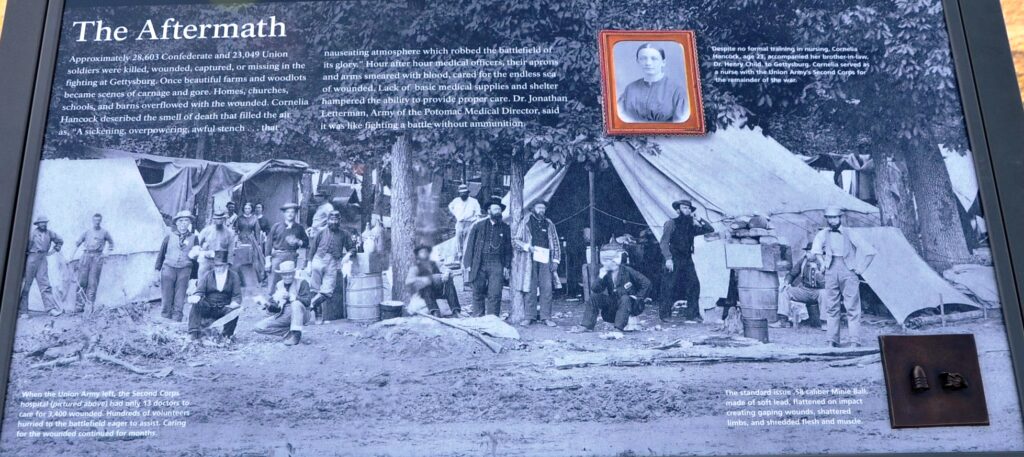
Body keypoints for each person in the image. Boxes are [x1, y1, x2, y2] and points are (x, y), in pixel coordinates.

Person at [812, 206, 876, 348]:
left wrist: (860, 269)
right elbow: (816, 250)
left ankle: (854, 341)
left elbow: (870, 251)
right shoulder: (823, 234)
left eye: (834, 217)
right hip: (830, 271)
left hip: (848, 271)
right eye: (829, 218)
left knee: (852, 307)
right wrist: (822, 263)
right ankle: (832, 340)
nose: (832, 221)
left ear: (840, 218)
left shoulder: (850, 233)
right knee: (831, 307)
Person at [660, 199, 714, 323]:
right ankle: (664, 315)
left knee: (694, 285)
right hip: (673, 258)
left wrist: (699, 219)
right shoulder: (671, 223)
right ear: (678, 210)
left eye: (689, 208)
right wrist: (668, 259)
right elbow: (664, 243)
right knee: (669, 285)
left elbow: (710, 230)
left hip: (687, 258)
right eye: (684, 208)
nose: (687, 210)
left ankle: (692, 314)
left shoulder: (691, 225)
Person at [512, 200, 561, 326]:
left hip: (545, 258)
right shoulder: (526, 222)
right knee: (530, 287)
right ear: (533, 208)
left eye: (543, 208)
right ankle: (530, 316)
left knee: (547, 288)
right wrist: (528, 247)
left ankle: (546, 317)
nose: (541, 210)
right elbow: (516, 241)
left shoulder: (549, 223)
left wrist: (555, 260)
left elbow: (555, 242)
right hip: (529, 259)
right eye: (539, 208)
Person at [617, 43, 689, 123]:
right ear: (638, 61)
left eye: (654, 58)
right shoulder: (630, 89)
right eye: (643, 58)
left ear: (663, 62)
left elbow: (681, 124)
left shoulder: (677, 91)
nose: (648, 63)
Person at [581, 249, 652, 331]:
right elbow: (595, 289)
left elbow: (646, 283)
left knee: (625, 298)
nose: (604, 263)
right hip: (615, 304)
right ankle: (586, 326)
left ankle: (618, 328)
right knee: (594, 297)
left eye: (607, 261)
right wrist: (600, 276)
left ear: (614, 261)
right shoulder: (606, 273)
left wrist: (638, 297)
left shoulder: (627, 270)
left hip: (631, 304)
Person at [462, 198, 512, 316]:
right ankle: (478, 318)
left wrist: (506, 265)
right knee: (477, 291)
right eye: (495, 209)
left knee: (495, 293)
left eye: (499, 209)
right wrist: (467, 264)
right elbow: (470, 246)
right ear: (489, 211)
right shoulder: (478, 226)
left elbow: (508, 249)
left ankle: (492, 319)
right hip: (479, 262)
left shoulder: (505, 228)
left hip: (497, 263)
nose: (498, 211)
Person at [307, 211, 353, 321]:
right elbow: (312, 249)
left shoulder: (344, 234)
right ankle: (315, 317)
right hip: (317, 260)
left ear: (340, 221)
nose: (334, 222)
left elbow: (352, 248)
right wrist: (309, 264)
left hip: (333, 263)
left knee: (327, 291)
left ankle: (310, 306)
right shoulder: (321, 232)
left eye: (336, 220)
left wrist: (348, 255)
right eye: (331, 220)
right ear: (328, 221)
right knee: (314, 289)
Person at [187, 251, 241, 343]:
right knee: (196, 304)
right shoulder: (208, 275)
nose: (218, 269)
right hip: (209, 306)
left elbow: (237, 295)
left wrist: (234, 303)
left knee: (236, 311)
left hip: (224, 307)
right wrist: (197, 296)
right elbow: (200, 290)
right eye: (216, 266)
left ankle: (226, 336)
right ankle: (193, 333)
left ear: (227, 265)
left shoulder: (234, 276)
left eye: (221, 266)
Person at [254, 260, 312, 346]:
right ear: (281, 275)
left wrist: (294, 297)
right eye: (285, 274)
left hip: (301, 314)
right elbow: (276, 308)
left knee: (296, 304)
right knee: (258, 327)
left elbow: (307, 302)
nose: (287, 277)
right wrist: (266, 304)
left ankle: (296, 334)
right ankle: (288, 333)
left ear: (294, 273)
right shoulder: (279, 285)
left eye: (290, 274)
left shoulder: (302, 283)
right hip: (284, 315)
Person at [156, 211, 199, 321]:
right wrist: (157, 270)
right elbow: (161, 254)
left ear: (189, 222)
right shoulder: (169, 237)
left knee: (180, 298)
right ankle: (165, 320)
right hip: (168, 269)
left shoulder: (194, 238)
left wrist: (194, 278)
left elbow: (196, 260)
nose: (183, 223)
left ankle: (176, 320)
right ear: (176, 223)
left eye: (186, 220)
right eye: (180, 221)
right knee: (166, 297)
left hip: (185, 271)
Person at [772, 241, 826, 330]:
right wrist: (786, 282)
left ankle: (825, 322)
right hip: (805, 290)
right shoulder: (804, 261)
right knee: (784, 290)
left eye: (810, 252)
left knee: (825, 293)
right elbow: (792, 274)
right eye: (807, 252)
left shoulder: (824, 262)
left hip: (819, 291)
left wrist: (817, 272)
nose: (807, 254)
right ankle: (783, 321)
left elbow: (826, 283)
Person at [20, 216, 64, 317]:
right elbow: (24, 248)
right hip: (31, 258)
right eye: (41, 223)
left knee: (45, 284)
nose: (44, 224)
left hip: (43, 259)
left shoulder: (50, 233)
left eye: (45, 222)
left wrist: (55, 249)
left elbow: (60, 240)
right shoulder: (32, 234)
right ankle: (23, 311)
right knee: (26, 284)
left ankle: (50, 309)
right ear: (37, 224)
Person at [405, 245, 463, 317]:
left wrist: (446, 273)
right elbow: (408, 282)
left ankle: (456, 311)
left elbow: (447, 269)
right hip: (424, 293)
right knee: (426, 287)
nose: (424, 254)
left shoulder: (435, 263)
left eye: (426, 252)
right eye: (422, 253)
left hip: (438, 290)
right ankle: (435, 312)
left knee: (449, 283)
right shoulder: (415, 268)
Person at [73, 213, 114, 311]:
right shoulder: (87, 232)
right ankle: (79, 306)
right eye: (95, 220)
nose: (97, 222)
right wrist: (71, 256)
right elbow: (77, 244)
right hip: (85, 257)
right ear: (92, 220)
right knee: (82, 281)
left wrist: (106, 254)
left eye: (99, 220)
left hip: (97, 258)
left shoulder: (104, 232)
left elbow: (111, 243)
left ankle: (89, 306)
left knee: (92, 283)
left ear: (101, 221)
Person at [265, 203, 309, 294]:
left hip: (292, 256)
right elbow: (268, 243)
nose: (290, 214)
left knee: (290, 281)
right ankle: (272, 303)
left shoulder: (299, 228)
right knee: (274, 280)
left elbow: (306, 243)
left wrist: (298, 241)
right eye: (287, 212)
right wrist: (268, 261)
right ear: (284, 214)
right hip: (278, 256)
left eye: (292, 212)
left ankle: (289, 302)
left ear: (295, 214)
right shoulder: (277, 226)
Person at [197, 210, 236, 281]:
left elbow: (231, 249)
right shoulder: (206, 230)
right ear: (213, 219)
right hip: (206, 260)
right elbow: (197, 244)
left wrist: (229, 263)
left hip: (220, 260)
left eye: (221, 219)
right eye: (217, 219)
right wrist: (203, 250)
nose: (219, 221)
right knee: (202, 279)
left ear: (224, 219)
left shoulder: (229, 233)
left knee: (218, 281)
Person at [234, 202, 267, 284]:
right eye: (245, 208)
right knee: (240, 258)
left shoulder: (254, 218)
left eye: (249, 208)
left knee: (253, 258)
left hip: (251, 240)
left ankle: (253, 278)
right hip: (241, 239)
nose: (247, 210)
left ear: (251, 209)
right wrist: (236, 240)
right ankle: (240, 278)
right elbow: (235, 230)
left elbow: (257, 231)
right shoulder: (239, 218)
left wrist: (258, 243)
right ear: (243, 209)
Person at [448, 184, 481, 261]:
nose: (463, 195)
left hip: (470, 223)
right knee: (458, 240)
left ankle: (467, 258)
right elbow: (450, 207)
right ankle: (459, 255)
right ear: (459, 194)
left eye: (464, 193)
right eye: (461, 193)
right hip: (459, 223)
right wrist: (455, 214)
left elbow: (478, 213)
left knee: (468, 241)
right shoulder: (456, 201)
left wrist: (475, 221)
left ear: (467, 193)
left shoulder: (474, 201)